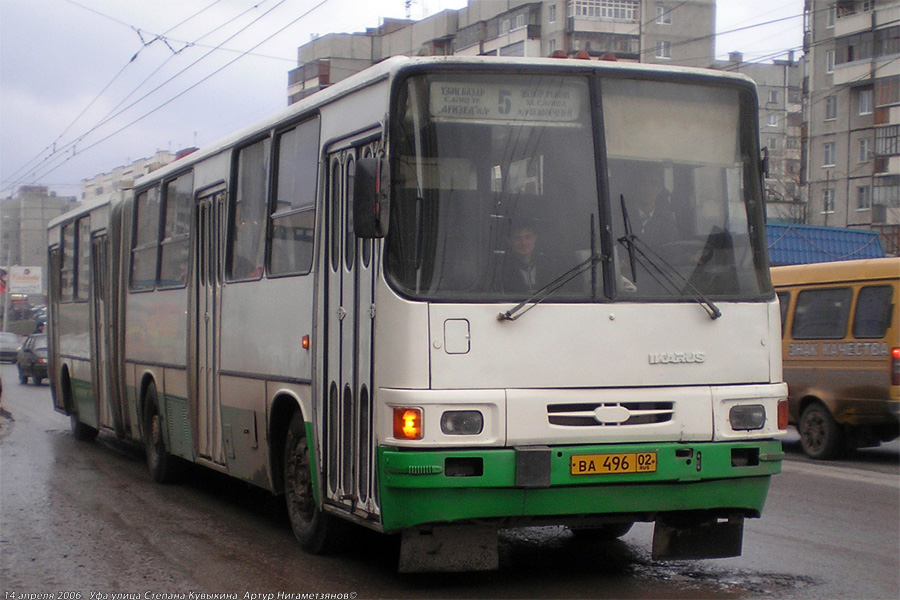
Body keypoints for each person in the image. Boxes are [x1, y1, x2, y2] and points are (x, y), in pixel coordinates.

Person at [633, 170, 677, 248]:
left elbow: (673, 249)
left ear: (659, 189)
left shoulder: (667, 220)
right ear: (637, 187)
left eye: (653, 184)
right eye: (644, 183)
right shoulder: (622, 217)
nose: (647, 188)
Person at [499, 222, 546, 294]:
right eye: (518, 238)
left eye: (528, 237)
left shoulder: (550, 266)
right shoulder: (500, 269)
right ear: (510, 241)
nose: (523, 243)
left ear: (535, 238)